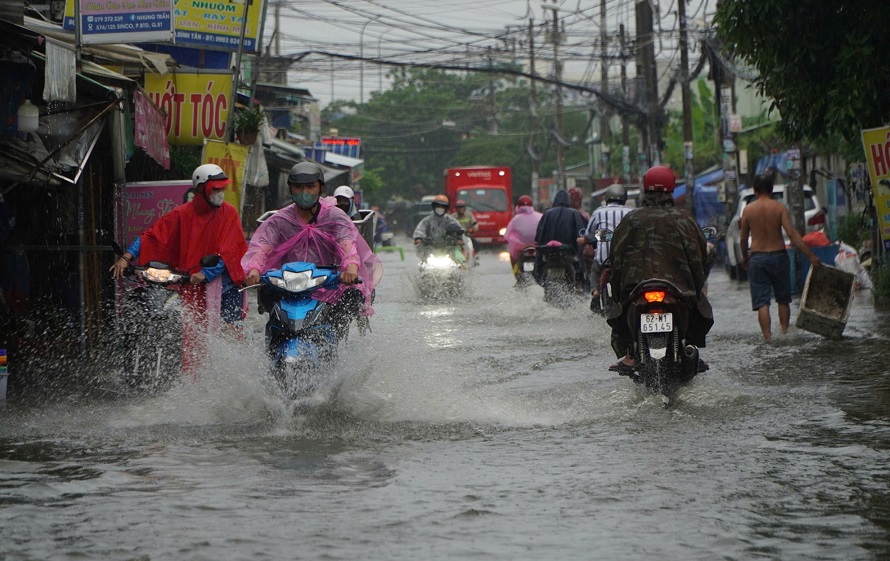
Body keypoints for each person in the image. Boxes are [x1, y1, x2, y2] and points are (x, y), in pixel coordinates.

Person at [110, 163, 249, 375]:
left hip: (224, 285)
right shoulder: (182, 214)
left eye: (223, 189)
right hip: (189, 281)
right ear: (201, 189)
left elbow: (230, 252)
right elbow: (153, 236)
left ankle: (232, 375)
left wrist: (205, 273)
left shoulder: (229, 213)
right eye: (216, 189)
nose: (221, 193)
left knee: (229, 332)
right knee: (188, 329)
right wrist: (126, 257)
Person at [242, 162, 383, 337]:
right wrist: (254, 269)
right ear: (290, 189)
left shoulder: (335, 216)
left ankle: (337, 351)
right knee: (271, 308)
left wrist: (351, 268)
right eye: (298, 187)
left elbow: (347, 244)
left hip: (329, 284)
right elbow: (262, 247)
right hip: (290, 284)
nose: (304, 192)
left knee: (348, 302)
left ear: (320, 189)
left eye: (310, 187)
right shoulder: (281, 220)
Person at [606, 166, 713, 373]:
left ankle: (630, 354)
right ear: (671, 190)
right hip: (680, 289)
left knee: (618, 311)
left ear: (645, 190)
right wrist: (696, 286)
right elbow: (699, 257)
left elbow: (616, 260)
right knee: (698, 308)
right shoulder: (684, 220)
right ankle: (690, 348)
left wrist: (618, 292)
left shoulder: (631, 220)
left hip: (635, 290)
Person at [740, 173, 821, 342]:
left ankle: (768, 338)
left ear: (755, 190)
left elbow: (742, 238)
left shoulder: (748, 210)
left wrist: (744, 257)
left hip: (757, 258)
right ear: (770, 190)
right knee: (783, 299)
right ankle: (784, 335)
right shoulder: (779, 208)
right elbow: (792, 234)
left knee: (762, 302)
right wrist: (811, 255)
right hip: (779, 257)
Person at [578, 184, 634, 302]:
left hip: (603, 260)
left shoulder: (599, 212)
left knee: (594, 271)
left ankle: (596, 291)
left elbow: (589, 234)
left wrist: (584, 240)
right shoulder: (631, 212)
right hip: (626, 260)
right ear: (624, 198)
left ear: (607, 198)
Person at [533, 189, 588, 286]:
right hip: (569, 252)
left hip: (549, 252)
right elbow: (582, 232)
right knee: (580, 266)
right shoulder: (575, 213)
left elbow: (538, 236)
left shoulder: (547, 213)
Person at [413, 194, 466, 261]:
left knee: (460, 260)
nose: (440, 208)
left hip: (448, 248)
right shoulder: (427, 220)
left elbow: (460, 230)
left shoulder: (451, 220)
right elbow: (419, 230)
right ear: (434, 206)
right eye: (438, 206)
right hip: (431, 248)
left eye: (442, 206)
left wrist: (459, 239)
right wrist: (418, 239)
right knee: (423, 262)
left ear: (446, 208)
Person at [503, 195, 542, 283]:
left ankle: (517, 276)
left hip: (521, 248)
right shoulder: (540, 216)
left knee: (513, 258)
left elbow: (507, 235)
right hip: (538, 246)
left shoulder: (515, 219)